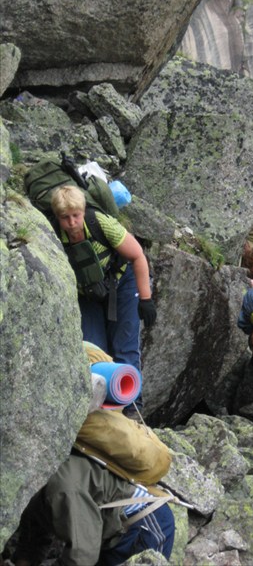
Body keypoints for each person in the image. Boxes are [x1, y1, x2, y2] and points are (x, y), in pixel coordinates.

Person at [11, 375, 174, 566]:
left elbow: (82, 556)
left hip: (145, 523)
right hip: (111, 532)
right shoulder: (31, 491)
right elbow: (33, 539)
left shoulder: (61, 489)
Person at [51, 185, 156, 418]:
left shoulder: (100, 223)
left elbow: (137, 255)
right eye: (65, 218)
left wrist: (145, 299)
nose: (71, 223)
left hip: (121, 284)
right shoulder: (52, 235)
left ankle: (131, 409)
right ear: (57, 217)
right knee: (93, 350)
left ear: (83, 210)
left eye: (76, 216)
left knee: (125, 347)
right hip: (86, 293)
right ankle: (101, 412)